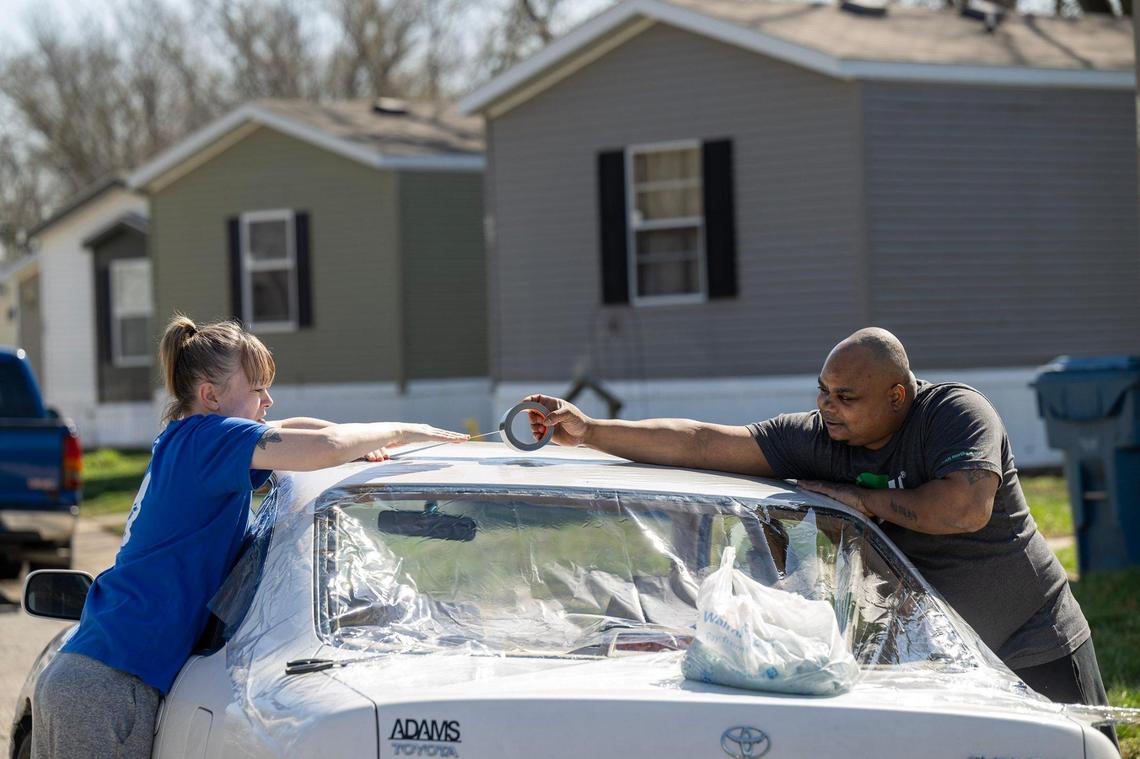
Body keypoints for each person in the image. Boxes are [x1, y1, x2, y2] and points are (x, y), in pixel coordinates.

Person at [525, 327, 1115, 723]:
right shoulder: (817, 437)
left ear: (898, 395)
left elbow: (964, 508)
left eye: (846, 396)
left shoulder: (955, 415)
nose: (828, 406)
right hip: (930, 655)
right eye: (823, 392)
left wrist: (862, 500)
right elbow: (706, 442)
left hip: (1031, 639)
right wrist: (593, 431)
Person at [32, 316, 467, 758]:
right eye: (258, 389)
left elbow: (305, 431)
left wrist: (355, 444)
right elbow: (326, 446)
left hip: (92, 674)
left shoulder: (190, 439)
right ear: (210, 395)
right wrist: (404, 430)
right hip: (109, 685)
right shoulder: (209, 441)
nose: (268, 400)